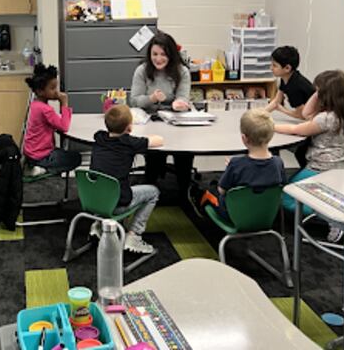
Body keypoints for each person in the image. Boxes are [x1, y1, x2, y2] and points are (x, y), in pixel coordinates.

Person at [275, 69, 344, 241]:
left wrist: (269, 126)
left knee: (285, 195)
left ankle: (330, 216)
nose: (315, 94)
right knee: (296, 187)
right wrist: (319, 93)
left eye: (318, 91)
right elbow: (306, 114)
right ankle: (331, 207)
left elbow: (296, 129)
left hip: (319, 170)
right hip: (342, 168)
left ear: (326, 95)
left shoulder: (325, 119)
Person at [129, 31, 196, 203]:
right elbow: (134, 100)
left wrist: (179, 103)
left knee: (184, 154)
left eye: (163, 54)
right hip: (150, 119)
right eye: (155, 54)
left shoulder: (182, 71)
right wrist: (151, 99)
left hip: (175, 120)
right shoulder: (142, 70)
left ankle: (184, 193)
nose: (158, 59)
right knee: (154, 153)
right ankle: (150, 192)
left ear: (171, 55)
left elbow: (183, 96)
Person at [90, 105, 163, 253]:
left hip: (93, 199)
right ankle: (134, 236)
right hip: (117, 203)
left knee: (106, 179)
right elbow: (158, 140)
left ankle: (99, 223)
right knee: (153, 192)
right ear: (129, 128)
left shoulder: (99, 137)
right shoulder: (129, 143)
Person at [197, 109, 286, 222]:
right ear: (271, 136)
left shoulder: (236, 164)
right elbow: (281, 185)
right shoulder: (278, 162)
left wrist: (231, 169)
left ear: (244, 138)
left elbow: (221, 190)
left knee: (210, 189)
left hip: (234, 215)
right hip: (266, 215)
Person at [23, 63, 81, 175]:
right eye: (52, 88)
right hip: (42, 155)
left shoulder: (35, 105)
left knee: (63, 153)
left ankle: (36, 166)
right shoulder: (46, 110)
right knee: (76, 158)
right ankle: (43, 169)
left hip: (31, 154)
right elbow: (64, 127)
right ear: (40, 91)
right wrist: (64, 102)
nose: (56, 91)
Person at [264, 46, 316, 168]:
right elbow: (276, 101)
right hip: (306, 118)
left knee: (300, 153)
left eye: (274, 65)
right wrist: (261, 113)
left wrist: (282, 110)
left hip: (312, 122)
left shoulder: (295, 87)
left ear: (287, 68)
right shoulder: (285, 78)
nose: (271, 68)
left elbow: (301, 115)